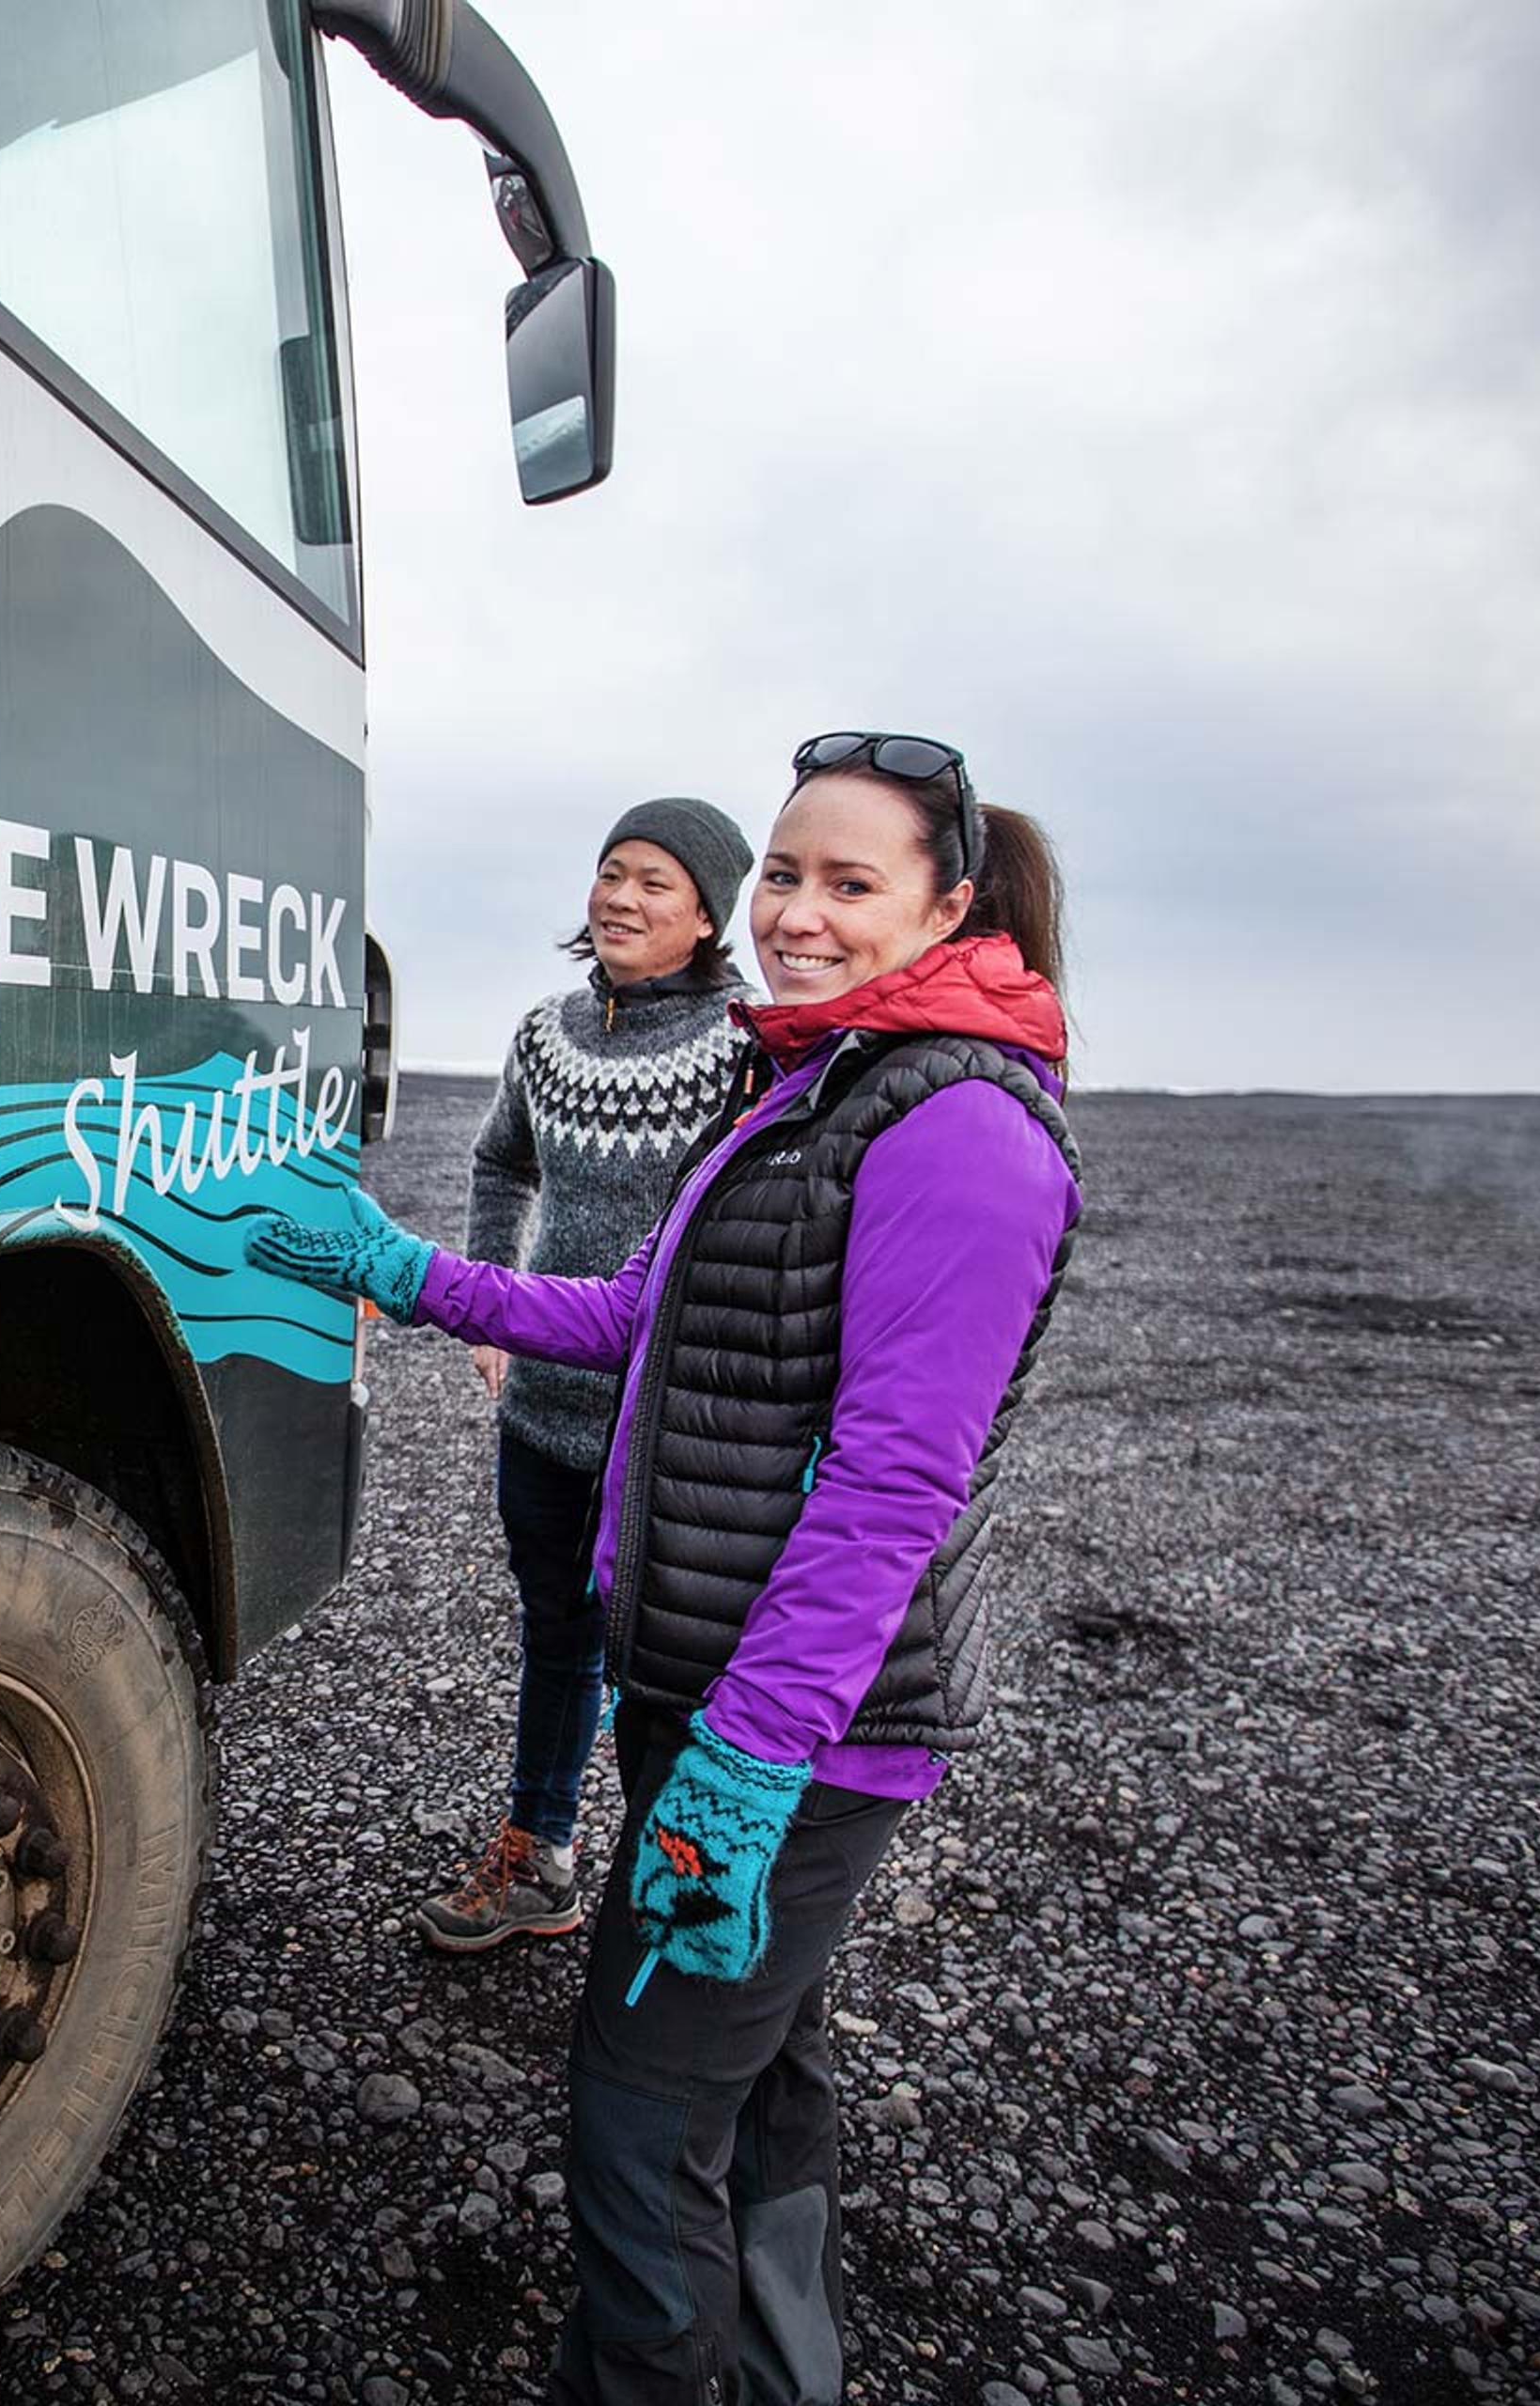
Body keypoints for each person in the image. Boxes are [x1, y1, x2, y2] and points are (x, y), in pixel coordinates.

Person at [252, 732, 1081, 2405]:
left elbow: (894, 1480)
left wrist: (754, 1760)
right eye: (786, 874)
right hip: (703, 1686)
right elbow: (636, 1320)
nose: (799, 913)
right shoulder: (814, 1084)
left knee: (639, 2113)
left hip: (799, 1732)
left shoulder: (960, 1130)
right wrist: (408, 1271)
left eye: (853, 884)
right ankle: (786, 2373)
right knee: (756, 2073)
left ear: (953, 903)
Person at [425, 798, 762, 1954]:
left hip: (679, 1430)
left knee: (676, 1670)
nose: (620, 896)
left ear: (710, 913)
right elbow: (497, 1162)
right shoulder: (546, 1034)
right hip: (546, 1411)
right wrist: (486, 1303)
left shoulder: (752, 1049)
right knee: (555, 1637)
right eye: (611, 872)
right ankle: (540, 1854)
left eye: (655, 882)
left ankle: (686, 1890)